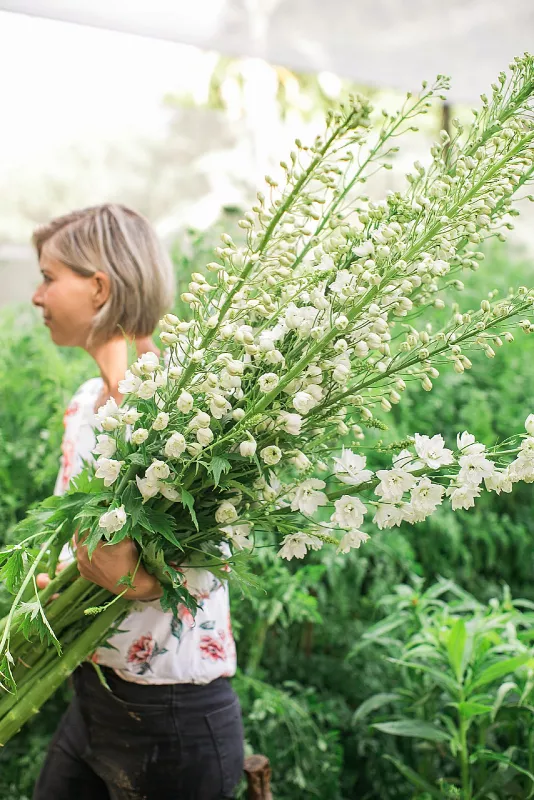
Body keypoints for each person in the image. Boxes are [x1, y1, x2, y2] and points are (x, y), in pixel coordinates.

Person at [30, 203, 245, 800]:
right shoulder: (85, 403)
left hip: (172, 719)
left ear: (98, 286)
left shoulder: (184, 404)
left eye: (49, 278)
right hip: (95, 693)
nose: (36, 297)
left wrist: (143, 586)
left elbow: (221, 547)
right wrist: (66, 575)